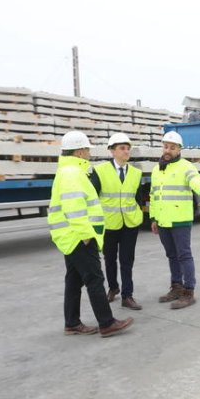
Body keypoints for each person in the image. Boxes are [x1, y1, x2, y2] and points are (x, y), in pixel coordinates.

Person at [47, 130, 133, 337]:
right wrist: (86, 234)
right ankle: (107, 323)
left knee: (74, 280)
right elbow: (74, 206)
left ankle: (72, 323)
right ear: (79, 152)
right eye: (86, 149)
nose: (88, 153)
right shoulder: (72, 173)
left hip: (71, 235)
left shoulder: (70, 171)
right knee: (94, 278)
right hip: (79, 236)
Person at [150, 131, 200, 309]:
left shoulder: (186, 166)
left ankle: (189, 291)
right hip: (163, 220)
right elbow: (154, 195)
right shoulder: (157, 169)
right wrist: (154, 218)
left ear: (179, 149)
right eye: (166, 146)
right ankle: (176, 287)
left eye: (172, 148)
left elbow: (195, 181)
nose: (168, 150)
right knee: (171, 255)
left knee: (184, 255)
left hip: (180, 220)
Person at [91, 132, 142, 310]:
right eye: (122, 148)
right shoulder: (99, 171)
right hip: (109, 223)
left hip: (130, 223)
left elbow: (139, 198)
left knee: (127, 260)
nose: (126, 151)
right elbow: (93, 198)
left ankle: (128, 296)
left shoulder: (136, 173)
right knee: (110, 259)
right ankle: (113, 288)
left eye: (128, 148)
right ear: (112, 151)